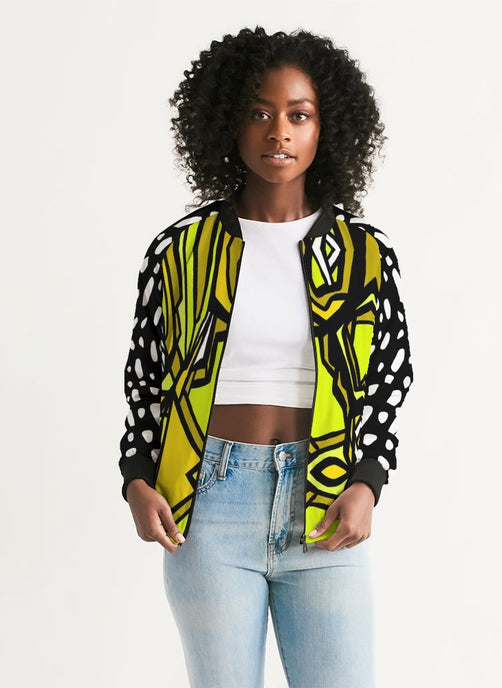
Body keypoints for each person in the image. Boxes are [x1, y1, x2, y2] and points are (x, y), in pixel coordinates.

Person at [118, 26, 413, 688]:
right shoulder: (181, 250)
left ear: (326, 128)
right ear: (227, 122)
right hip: (209, 503)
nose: (278, 132)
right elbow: (147, 378)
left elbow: (389, 380)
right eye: (258, 112)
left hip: (326, 500)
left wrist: (367, 481)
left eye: (298, 115)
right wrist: (136, 478)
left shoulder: (364, 253)